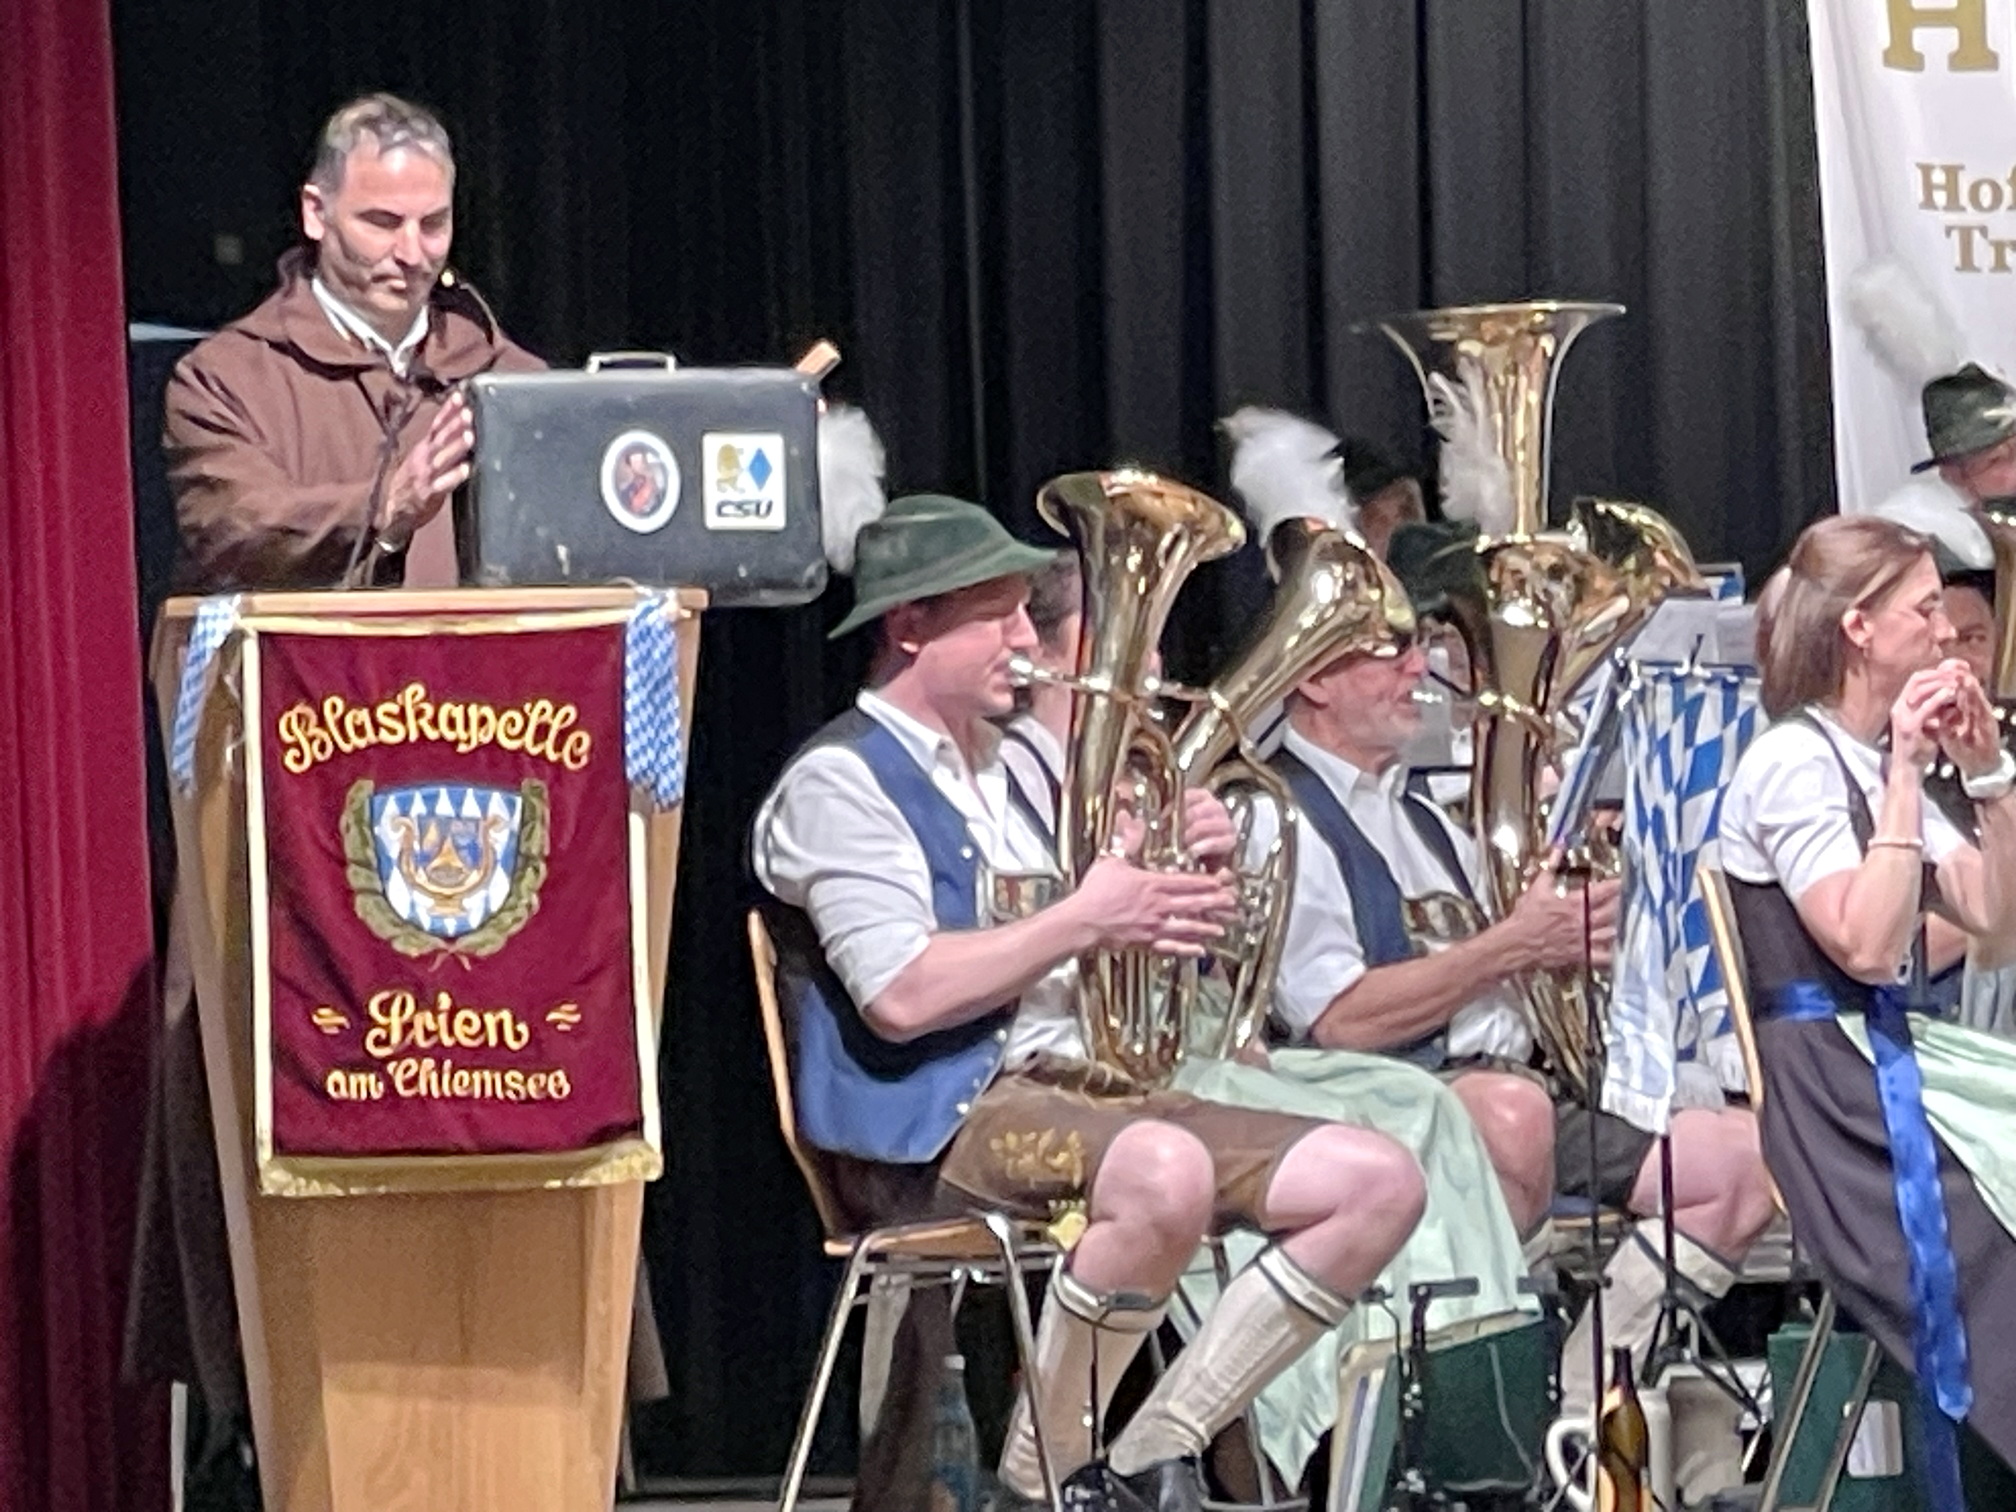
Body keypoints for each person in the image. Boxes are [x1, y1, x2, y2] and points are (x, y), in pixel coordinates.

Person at [755, 494, 1427, 1512]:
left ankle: (1146, 1452)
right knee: (1164, 1172)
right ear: (909, 627)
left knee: (1376, 1179)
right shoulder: (842, 782)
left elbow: (1082, 927)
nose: (1027, 643)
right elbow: (902, 995)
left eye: (1025, 615)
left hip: (1087, 1093)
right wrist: (1089, 915)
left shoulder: (1012, 767)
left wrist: (1168, 880)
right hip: (934, 1126)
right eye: (997, 617)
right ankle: (1049, 1482)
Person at [1000, 549, 1536, 1487]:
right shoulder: (1010, 779)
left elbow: (1197, 968)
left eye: (1154, 645)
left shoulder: (1137, 779)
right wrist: (1134, 876)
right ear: (1056, 653)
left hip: (1183, 1047)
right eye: (1127, 642)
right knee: (1346, 1132)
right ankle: (1312, 1438)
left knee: (1426, 1110)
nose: (1153, 668)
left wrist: (1202, 882)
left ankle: (1453, 1419)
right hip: (1083, 1074)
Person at [1255, 603, 1779, 1419]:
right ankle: (1494, 1407)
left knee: (1741, 1163)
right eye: (1388, 654)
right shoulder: (1277, 814)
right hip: (1384, 1099)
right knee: (1512, 1114)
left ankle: (1575, 1403)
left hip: (1513, 1085)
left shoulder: (1421, 817)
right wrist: (1514, 946)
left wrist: (1576, 937)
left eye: (1416, 650)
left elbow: (1506, 959)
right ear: (1316, 679)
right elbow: (1338, 1020)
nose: (1418, 671)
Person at [1719, 514, 2016, 1487]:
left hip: (1889, 1056)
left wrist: (1988, 775)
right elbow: (1867, 942)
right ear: (1858, 628)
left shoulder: (1870, 757)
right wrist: (1903, 776)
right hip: (1835, 1092)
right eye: (1923, 611)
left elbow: (1995, 919)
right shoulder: (1793, 764)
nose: (1945, 631)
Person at [164, 92, 540, 593]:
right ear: (316, 213)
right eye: (382, 223)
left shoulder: (516, 381)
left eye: (433, 224)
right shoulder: (225, 379)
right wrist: (387, 503)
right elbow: (233, 531)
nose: (412, 253)